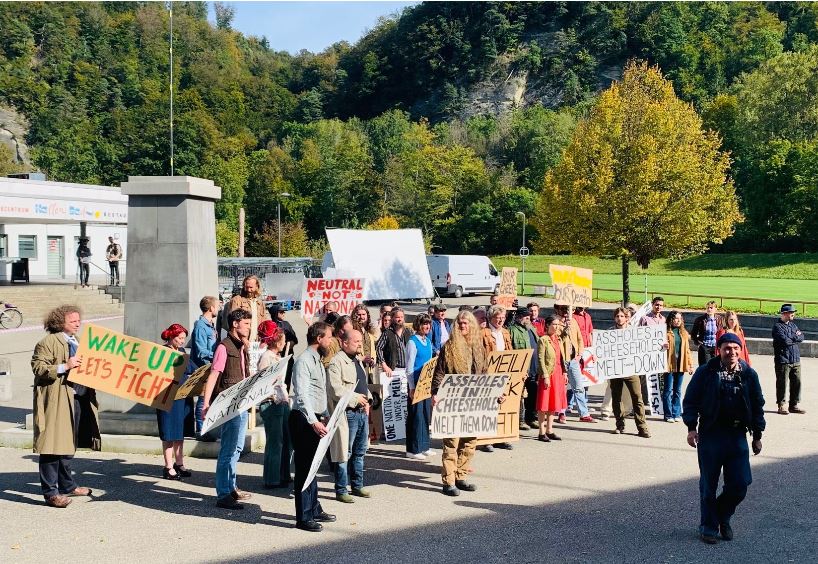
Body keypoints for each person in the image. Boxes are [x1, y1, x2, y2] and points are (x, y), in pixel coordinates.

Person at [682, 332, 765, 544]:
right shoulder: (705, 372)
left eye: (735, 348)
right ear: (719, 350)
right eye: (727, 348)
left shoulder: (749, 374)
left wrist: (757, 435)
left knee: (740, 484)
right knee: (708, 485)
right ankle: (708, 527)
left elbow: (757, 405)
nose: (732, 352)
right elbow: (690, 401)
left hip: (737, 435)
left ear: (740, 349)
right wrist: (692, 428)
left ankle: (722, 516)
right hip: (711, 434)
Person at [31, 305, 100, 508]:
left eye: (79, 320)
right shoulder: (47, 342)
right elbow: (38, 368)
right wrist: (65, 366)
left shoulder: (77, 341)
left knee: (68, 445)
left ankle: (68, 485)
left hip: (77, 398)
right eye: (73, 321)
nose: (78, 324)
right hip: (57, 401)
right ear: (60, 322)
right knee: (52, 446)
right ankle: (51, 493)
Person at [431, 310, 488, 496]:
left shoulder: (479, 346)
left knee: (470, 441)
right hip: (452, 399)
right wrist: (435, 393)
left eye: (466, 323)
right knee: (452, 443)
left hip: (473, 400)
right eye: (460, 323)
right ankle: (448, 482)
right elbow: (439, 372)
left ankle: (461, 476)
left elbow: (485, 373)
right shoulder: (449, 347)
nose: (463, 326)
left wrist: (494, 393)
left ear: (472, 325)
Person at [201, 308, 254, 510]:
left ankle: (231, 487)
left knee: (237, 448)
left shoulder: (241, 346)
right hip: (229, 406)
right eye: (246, 324)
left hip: (241, 405)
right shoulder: (224, 347)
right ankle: (224, 494)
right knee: (228, 450)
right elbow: (214, 375)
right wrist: (206, 404)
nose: (249, 328)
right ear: (235, 324)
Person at [289, 322, 337, 532]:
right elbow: (302, 396)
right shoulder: (303, 361)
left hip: (316, 417)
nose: (331, 341)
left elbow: (319, 393)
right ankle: (303, 516)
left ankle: (314, 508)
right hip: (303, 420)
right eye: (328, 337)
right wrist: (313, 420)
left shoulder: (317, 360)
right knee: (304, 469)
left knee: (313, 466)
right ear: (318, 338)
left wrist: (325, 415)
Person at [327, 329, 373, 503]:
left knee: (360, 452)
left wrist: (367, 398)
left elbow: (361, 383)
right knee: (344, 452)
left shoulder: (356, 361)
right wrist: (356, 398)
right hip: (348, 414)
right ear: (344, 342)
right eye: (356, 341)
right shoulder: (336, 362)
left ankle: (357, 485)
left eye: (361, 341)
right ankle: (341, 489)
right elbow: (335, 389)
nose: (360, 344)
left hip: (361, 412)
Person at [257, 321, 292, 489]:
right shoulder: (266, 357)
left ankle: (284, 473)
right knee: (275, 442)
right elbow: (263, 382)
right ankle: (272, 478)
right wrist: (273, 396)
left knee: (287, 440)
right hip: (271, 402)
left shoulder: (277, 357)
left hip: (282, 400)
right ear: (276, 340)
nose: (284, 342)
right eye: (282, 339)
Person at [156, 324, 193, 479]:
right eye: (180, 338)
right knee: (169, 433)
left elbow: (191, 369)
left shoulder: (182, 351)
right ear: (171, 336)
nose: (183, 341)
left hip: (183, 397)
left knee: (180, 432)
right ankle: (168, 466)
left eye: (184, 338)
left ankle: (179, 463)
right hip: (167, 397)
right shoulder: (162, 351)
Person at [608, 307, 650, 437]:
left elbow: (645, 347)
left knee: (637, 398)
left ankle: (642, 428)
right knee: (616, 398)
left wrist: (660, 346)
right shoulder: (609, 332)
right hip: (615, 370)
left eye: (622, 316)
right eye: (617, 316)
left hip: (631, 370)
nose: (619, 318)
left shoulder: (634, 332)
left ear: (627, 318)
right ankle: (620, 425)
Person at [480, 305, 514, 451]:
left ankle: (499, 438)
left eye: (502, 317)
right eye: (497, 317)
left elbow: (510, 351)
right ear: (491, 318)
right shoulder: (484, 333)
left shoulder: (506, 333)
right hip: (488, 374)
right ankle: (485, 439)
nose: (500, 320)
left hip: (503, 374)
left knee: (502, 406)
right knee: (487, 407)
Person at [555, 304, 593, 424]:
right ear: (557, 309)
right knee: (562, 387)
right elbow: (556, 340)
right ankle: (562, 412)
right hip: (561, 360)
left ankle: (584, 413)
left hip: (573, 360)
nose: (566, 311)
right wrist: (564, 330)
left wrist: (579, 354)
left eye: (567, 309)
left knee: (578, 386)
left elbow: (579, 339)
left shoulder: (573, 322)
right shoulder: (554, 323)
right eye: (562, 309)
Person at [405, 313, 434, 459]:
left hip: (426, 384)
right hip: (416, 384)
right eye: (424, 324)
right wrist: (411, 387)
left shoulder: (427, 341)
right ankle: (413, 449)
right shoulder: (412, 342)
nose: (427, 326)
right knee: (415, 416)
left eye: (428, 324)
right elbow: (409, 367)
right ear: (418, 325)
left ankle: (424, 445)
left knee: (424, 415)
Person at [190, 296, 219, 440]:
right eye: (217, 305)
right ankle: (201, 430)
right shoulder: (201, 326)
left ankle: (206, 428)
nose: (218, 308)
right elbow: (201, 351)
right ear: (211, 308)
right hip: (204, 368)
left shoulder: (210, 324)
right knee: (203, 399)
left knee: (207, 398)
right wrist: (217, 355)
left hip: (210, 366)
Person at [536, 315, 567, 442]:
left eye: (558, 324)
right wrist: (545, 375)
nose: (556, 327)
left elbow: (561, 356)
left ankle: (550, 429)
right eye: (554, 324)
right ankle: (541, 432)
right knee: (544, 403)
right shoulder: (543, 340)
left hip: (558, 373)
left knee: (553, 403)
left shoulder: (557, 339)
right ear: (547, 325)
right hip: (548, 374)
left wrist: (564, 372)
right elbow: (540, 359)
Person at [508, 307, 540, 430]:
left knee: (533, 394)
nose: (528, 319)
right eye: (526, 317)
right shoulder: (512, 330)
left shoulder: (532, 328)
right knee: (519, 396)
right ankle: (520, 420)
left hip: (533, 368)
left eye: (529, 317)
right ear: (519, 317)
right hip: (521, 369)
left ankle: (531, 418)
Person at [772, 304, 805, 415]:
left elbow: (801, 337)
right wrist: (795, 337)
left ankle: (794, 405)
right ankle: (781, 405)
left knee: (797, 382)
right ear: (785, 314)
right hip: (783, 360)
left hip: (795, 359)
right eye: (791, 312)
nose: (793, 314)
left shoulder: (793, 325)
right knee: (782, 383)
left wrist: (793, 338)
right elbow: (784, 341)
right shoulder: (777, 327)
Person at [664, 311, 694, 423]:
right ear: (671, 319)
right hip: (669, 364)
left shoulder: (684, 333)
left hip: (681, 364)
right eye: (675, 318)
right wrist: (662, 346)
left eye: (679, 319)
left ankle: (676, 413)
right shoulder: (665, 332)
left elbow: (687, 350)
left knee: (677, 390)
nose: (677, 321)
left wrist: (690, 365)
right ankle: (668, 414)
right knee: (668, 390)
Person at [223, 275, 270, 342]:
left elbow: (263, 323)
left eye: (251, 287)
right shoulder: (237, 300)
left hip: (256, 341)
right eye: (246, 287)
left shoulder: (260, 303)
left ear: (257, 287)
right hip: (241, 342)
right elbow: (234, 323)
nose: (248, 290)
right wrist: (243, 340)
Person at [376, 307, 413, 377]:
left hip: (408, 369)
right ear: (392, 318)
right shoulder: (387, 333)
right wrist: (384, 366)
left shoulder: (409, 331)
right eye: (397, 317)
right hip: (394, 370)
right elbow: (378, 348)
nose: (400, 319)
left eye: (401, 317)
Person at [691, 301, 724, 366]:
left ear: (715, 309)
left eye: (711, 308)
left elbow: (724, 331)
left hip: (716, 347)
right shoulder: (700, 320)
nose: (709, 309)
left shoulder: (720, 319)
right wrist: (698, 342)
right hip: (705, 346)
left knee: (717, 367)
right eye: (708, 307)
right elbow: (693, 333)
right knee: (706, 367)